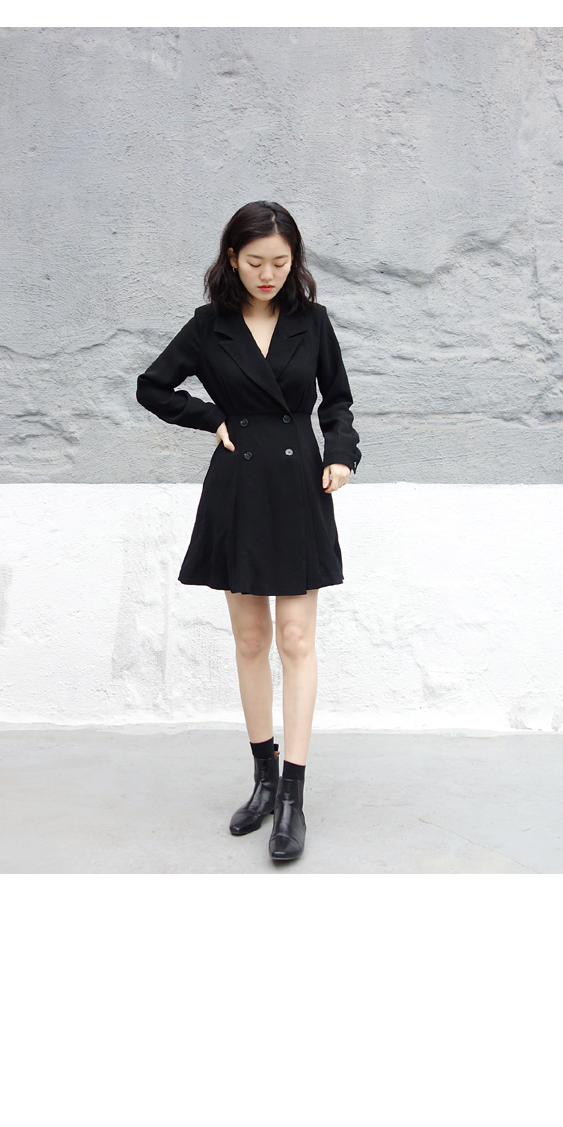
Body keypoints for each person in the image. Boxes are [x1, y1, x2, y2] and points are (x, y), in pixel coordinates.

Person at [136, 200, 360, 862]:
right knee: (251, 639)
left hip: (297, 486)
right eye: (256, 261)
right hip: (239, 486)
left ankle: (292, 795)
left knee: (296, 639)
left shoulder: (312, 322)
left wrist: (341, 453)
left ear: (295, 262)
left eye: (281, 263)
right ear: (232, 258)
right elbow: (153, 387)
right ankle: (262, 780)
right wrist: (212, 419)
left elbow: (337, 401)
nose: (268, 274)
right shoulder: (209, 327)